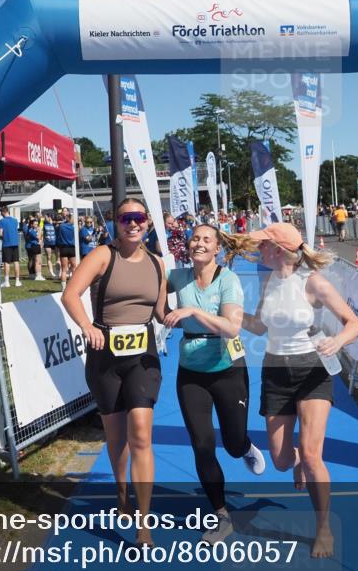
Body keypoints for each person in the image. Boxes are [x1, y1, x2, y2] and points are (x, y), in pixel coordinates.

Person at [241, 223, 358, 558]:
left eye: (262, 245)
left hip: (312, 371)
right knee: (281, 461)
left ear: (277, 249)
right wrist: (233, 315)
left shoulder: (313, 282)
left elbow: (354, 323)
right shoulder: (267, 281)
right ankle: (297, 461)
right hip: (275, 372)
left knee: (312, 455)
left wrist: (337, 340)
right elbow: (259, 326)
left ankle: (323, 528)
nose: (258, 250)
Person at [62, 198, 167, 547]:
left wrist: (192, 313)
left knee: (141, 432)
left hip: (143, 356)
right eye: (125, 218)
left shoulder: (158, 263)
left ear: (147, 222)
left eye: (138, 218)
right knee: (116, 435)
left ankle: (144, 524)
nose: (132, 224)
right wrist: (86, 326)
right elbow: (71, 295)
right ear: (116, 223)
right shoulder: (103, 256)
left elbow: (162, 312)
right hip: (105, 354)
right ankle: (121, 491)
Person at [163, 225, 266, 544]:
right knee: (202, 445)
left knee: (233, 446)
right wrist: (161, 312)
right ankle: (221, 514)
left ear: (218, 249)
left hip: (228, 368)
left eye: (207, 239)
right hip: (190, 371)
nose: (200, 243)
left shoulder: (228, 280)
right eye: (195, 238)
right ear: (188, 245)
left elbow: (232, 328)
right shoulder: (177, 277)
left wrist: (192, 310)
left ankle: (245, 446)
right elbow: (155, 296)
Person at [0, 207, 22, 288]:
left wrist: (1, 237)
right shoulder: (15, 220)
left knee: (6, 262)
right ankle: (17, 281)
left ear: (3, 212)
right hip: (15, 243)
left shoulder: (1, 221)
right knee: (16, 261)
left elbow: (0, 233)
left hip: (6, 243)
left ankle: (6, 282)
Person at [56, 211, 78, 290]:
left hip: (64, 248)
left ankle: (63, 286)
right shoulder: (74, 227)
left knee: (64, 269)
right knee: (74, 267)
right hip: (72, 248)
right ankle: (74, 285)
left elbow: (57, 226)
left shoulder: (62, 226)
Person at [42, 213, 58, 278]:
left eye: (46, 217)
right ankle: (51, 272)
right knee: (49, 257)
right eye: (44, 217)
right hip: (47, 243)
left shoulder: (54, 224)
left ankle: (57, 271)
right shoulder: (43, 224)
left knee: (57, 257)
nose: (45, 218)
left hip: (54, 242)